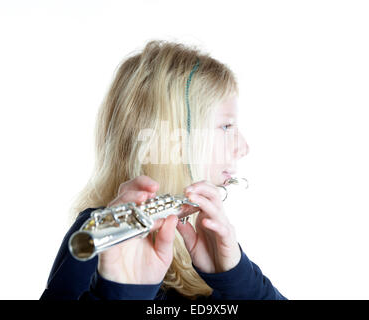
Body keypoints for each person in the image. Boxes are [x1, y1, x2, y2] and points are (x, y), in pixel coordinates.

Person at [40, 40, 286, 300]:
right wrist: (122, 292)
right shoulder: (101, 238)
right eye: (226, 127)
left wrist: (237, 277)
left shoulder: (201, 240)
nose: (243, 147)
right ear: (174, 138)